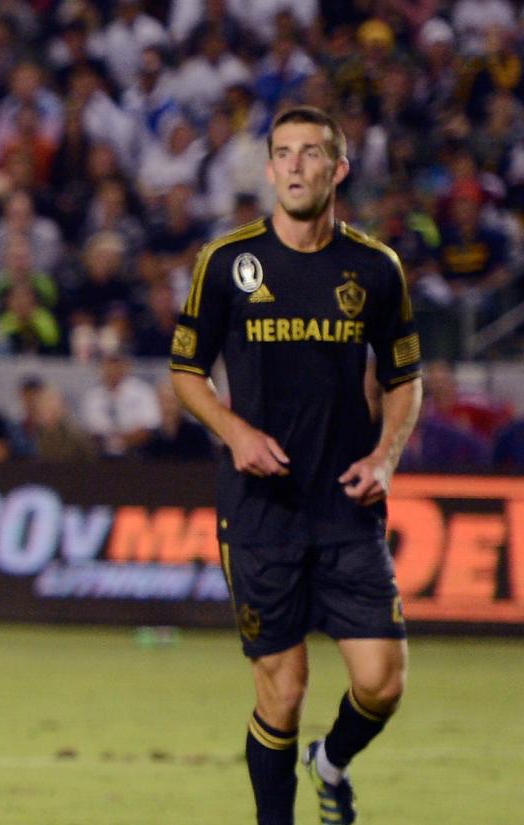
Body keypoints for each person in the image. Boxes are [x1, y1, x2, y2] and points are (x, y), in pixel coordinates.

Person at [169, 106, 421, 825]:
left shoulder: (374, 267)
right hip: (260, 509)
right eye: (283, 153)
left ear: (338, 169)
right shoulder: (226, 263)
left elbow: (405, 376)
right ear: (270, 167)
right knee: (283, 691)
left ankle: (331, 761)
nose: (295, 166)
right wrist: (234, 431)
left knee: (382, 682)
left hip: (345, 503)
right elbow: (185, 369)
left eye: (311, 153)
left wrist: (386, 456)